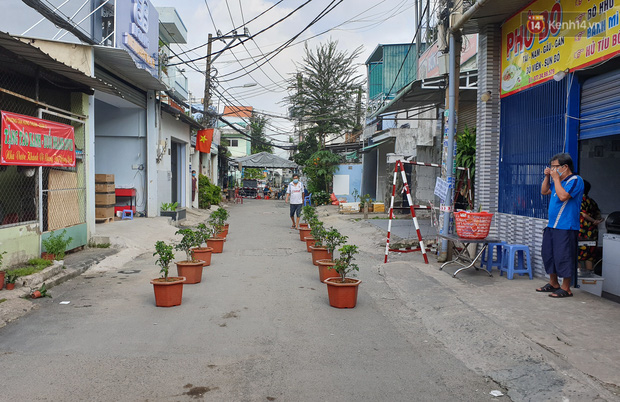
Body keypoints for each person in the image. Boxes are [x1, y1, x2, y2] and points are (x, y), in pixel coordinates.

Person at [536, 153, 584, 298]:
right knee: (548, 254)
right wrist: (548, 177)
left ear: (565, 167)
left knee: (564, 256)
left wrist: (556, 178)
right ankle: (553, 283)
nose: (552, 169)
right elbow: (544, 191)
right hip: (552, 226)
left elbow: (563, 196)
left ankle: (566, 288)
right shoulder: (559, 181)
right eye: (551, 166)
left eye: (555, 166)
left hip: (566, 226)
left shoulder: (575, 180)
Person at [578, 180, 603, 273]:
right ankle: (589, 276)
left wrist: (593, 220)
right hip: (592, 231)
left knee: (577, 253)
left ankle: (578, 277)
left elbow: (583, 214)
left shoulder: (579, 199)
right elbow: (598, 213)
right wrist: (597, 221)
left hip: (582, 230)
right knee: (590, 255)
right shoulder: (591, 200)